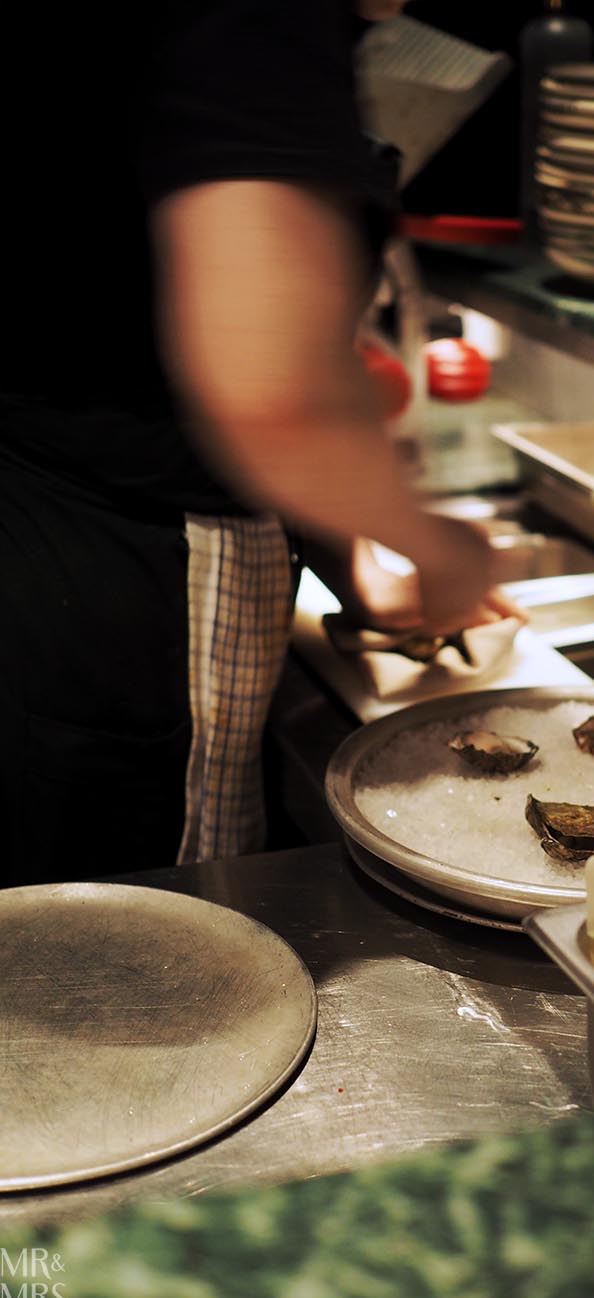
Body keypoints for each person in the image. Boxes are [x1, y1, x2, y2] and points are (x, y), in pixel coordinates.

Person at [0, 0, 508, 888]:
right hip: (131, 588)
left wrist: (353, 562)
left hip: (52, 542)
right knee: (149, 965)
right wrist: (446, 550)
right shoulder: (255, 17)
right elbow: (274, 392)